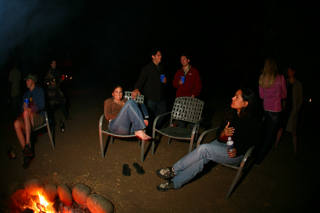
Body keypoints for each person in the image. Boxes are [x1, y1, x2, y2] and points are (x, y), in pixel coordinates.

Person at [155, 88, 262, 191]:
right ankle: (176, 182)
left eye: (237, 97)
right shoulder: (231, 112)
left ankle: (174, 170)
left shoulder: (253, 121)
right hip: (223, 144)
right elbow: (218, 135)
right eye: (234, 95)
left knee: (204, 148)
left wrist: (238, 150)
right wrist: (223, 133)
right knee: (200, 160)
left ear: (245, 103)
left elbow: (253, 142)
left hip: (235, 153)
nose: (233, 98)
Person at [254, 58, 287, 165]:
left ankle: (254, 155)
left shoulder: (262, 78)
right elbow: (285, 95)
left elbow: (262, 96)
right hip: (276, 111)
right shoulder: (281, 78)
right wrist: (276, 96)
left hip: (265, 110)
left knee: (262, 133)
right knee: (269, 137)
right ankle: (258, 160)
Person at [14, 74, 45, 169]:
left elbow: (42, 105)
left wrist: (32, 109)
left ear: (32, 81)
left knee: (27, 112)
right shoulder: (26, 94)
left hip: (38, 117)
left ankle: (28, 146)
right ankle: (28, 153)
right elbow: (22, 109)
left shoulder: (39, 91)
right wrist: (24, 107)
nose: (26, 82)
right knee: (16, 123)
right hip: (27, 118)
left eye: (27, 80)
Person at [131, 49, 167, 130]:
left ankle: (154, 128)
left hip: (161, 97)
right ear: (153, 56)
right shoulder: (147, 68)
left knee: (163, 112)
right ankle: (149, 131)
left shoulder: (161, 68)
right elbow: (141, 79)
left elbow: (163, 85)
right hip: (151, 97)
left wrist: (164, 82)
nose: (160, 56)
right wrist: (136, 88)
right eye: (158, 55)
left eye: (161, 55)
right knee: (149, 115)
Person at [275, 66, 303, 158]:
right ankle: (275, 146)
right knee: (280, 128)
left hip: (293, 110)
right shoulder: (285, 82)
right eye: (288, 71)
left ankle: (295, 152)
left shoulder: (298, 84)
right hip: (284, 109)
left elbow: (300, 99)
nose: (289, 72)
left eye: (290, 71)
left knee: (293, 132)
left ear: (294, 72)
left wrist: (296, 109)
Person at [172, 54, 202, 129]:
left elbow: (198, 84)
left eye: (184, 59)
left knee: (191, 117)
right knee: (180, 117)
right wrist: (178, 83)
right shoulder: (179, 71)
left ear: (188, 60)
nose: (183, 61)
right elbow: (174, 84)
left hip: (190, 98)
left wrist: (194, 94)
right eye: (181, 60)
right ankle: (181, 133)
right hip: (180, 98)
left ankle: (191, 135)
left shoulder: (194, 71)